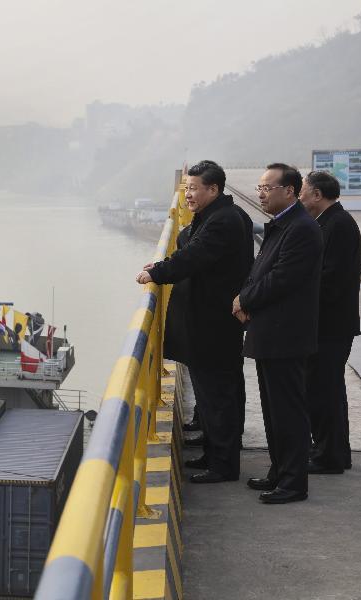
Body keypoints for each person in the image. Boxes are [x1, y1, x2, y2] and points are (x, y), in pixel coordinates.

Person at [136, 160, 253, 483]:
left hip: (212, 323)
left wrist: (157, 272)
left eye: (193, 188)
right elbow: (190, 247)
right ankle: (216, 452)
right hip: (210, 321)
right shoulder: (219, 216)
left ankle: (223, 465)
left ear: (213, 189)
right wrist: (166, 263)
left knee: (218, 394)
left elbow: (195, 254)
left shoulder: (223, 221)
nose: (187, 194)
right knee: (215, 392)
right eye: (186, 187)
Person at [233, 163, 322, 504]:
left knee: (288, 411)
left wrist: (244, 299)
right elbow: (259, 271)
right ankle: (279, 471)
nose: (261, 193)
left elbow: (281, 278)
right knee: (273, 410)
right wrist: (245, 295)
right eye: (260, 187)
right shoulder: (282, 226)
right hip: (270, 333)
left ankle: (293, 483)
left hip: (286, 335)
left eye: (268, 187)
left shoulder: (301, 229)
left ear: (290, 190)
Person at [299, 170, 361, 473]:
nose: (300, 197)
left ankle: (330, 456)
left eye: (303, 192)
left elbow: (330, 278)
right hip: (326, 324)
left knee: (324, 391)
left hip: (332, 326)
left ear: (317, 195)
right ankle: (331, 450)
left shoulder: (339, 225)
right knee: (326, 390)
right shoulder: (328, 222)